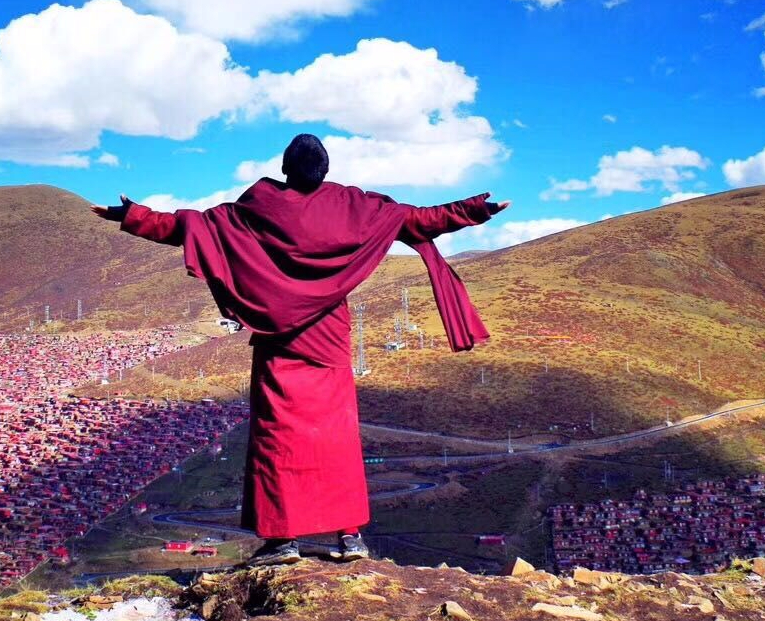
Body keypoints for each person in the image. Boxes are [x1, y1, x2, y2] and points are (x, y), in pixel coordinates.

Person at [92, 134, 509, 566]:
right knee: (336, 438)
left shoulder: (259, 206)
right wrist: (476, 209)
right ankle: (349, 537)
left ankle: (283, 540)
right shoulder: (352, 207)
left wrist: (132, 215)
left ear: (284, 169)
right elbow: (421, 219)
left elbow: (186, 226)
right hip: (328, 338)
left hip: (279, 340)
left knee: (278, 439)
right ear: (326, 171)